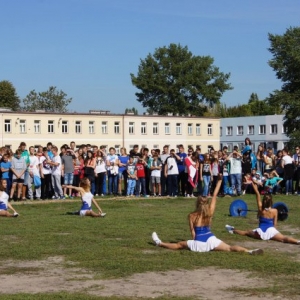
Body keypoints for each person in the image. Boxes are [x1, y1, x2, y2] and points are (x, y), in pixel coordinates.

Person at [152, 175, 263, 255]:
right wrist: (219, 182)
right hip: (211, 239)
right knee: (229, 248)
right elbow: (214, 196)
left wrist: (195, 243)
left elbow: (193, 232)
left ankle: (160, 243)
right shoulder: (209, 212)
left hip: (199, 242)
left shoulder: (191, 215)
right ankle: (249, 251)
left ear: (197, 203)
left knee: (179, 245)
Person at [226, 182, 300, 245]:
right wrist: (274, 234)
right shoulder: (275, 211)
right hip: (271, 231)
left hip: (260, 232)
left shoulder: (261, 209)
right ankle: (297, 241)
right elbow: (275, 224)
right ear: (271, 202)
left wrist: (256, 189)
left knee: (246, 232)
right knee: (283, 238)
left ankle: (233, 230)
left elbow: (258, 196)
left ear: (264, 201)